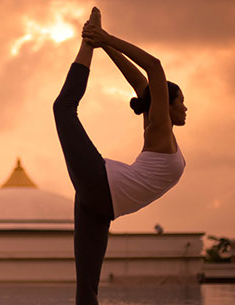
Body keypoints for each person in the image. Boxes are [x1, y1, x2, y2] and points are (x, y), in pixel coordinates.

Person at [52, 7, 187, 305]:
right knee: (63, 107)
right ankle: (85, 45)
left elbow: (141, 82)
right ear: (167, 105)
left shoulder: (157, 123)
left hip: (102, 207)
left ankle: (91, 40)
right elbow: (154, 66)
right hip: (101, 184)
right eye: (182, 102)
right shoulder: (159, 128)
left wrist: (106, 42)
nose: (185, 109)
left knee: (87, 289)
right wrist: (101, 39)